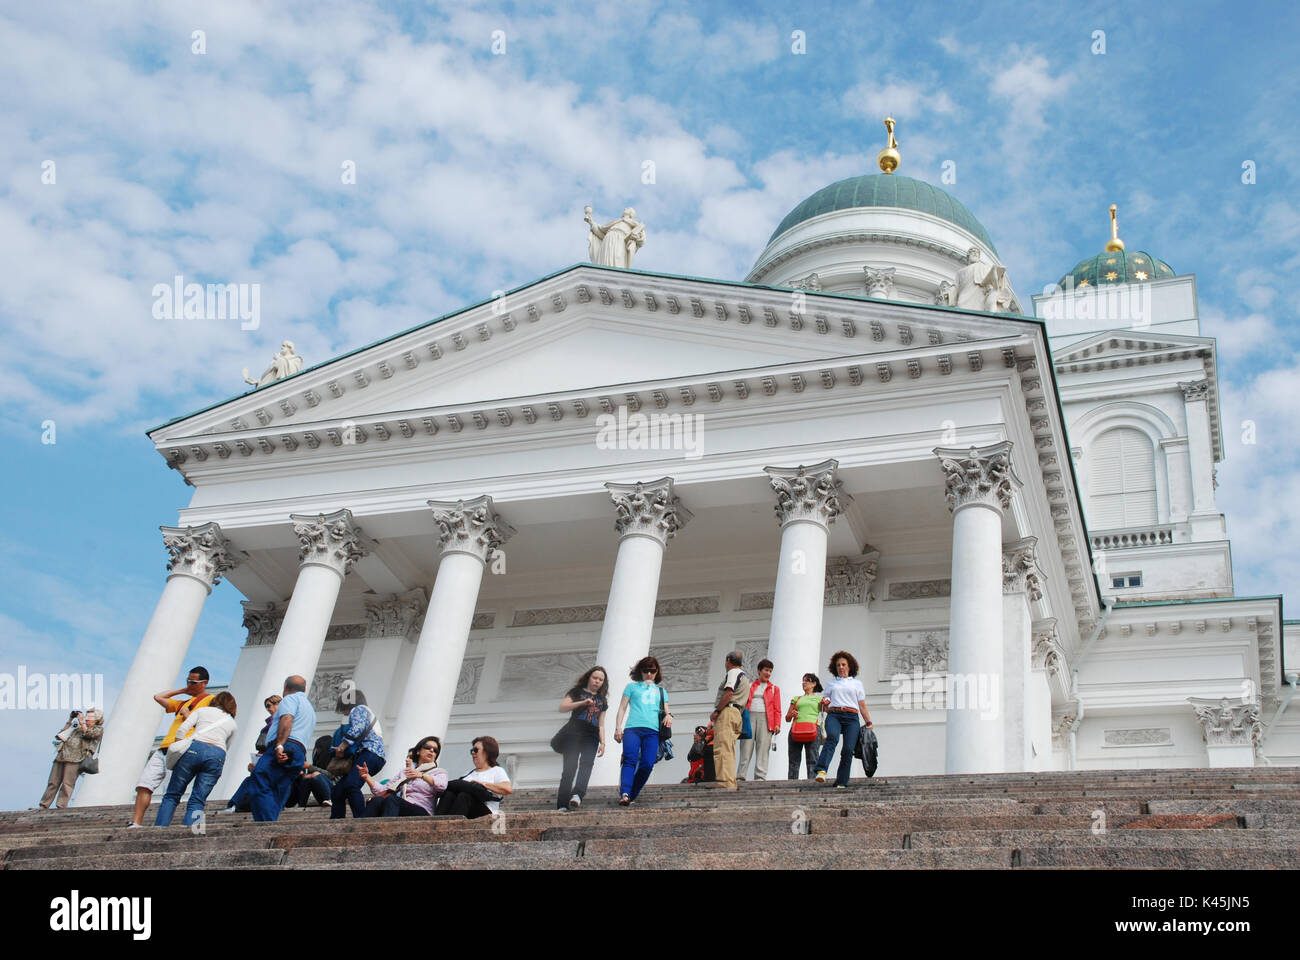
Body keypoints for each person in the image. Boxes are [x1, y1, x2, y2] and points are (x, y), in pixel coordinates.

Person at [129, 667, 214, 827]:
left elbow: (209, 725)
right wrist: (184, 690)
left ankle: (164, 825)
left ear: (205, 683)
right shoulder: (185, 702)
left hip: (182, 748)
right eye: (187, 681)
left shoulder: (211, 700)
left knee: (171, 790)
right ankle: (136, 823)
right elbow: (158, 697)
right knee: (144, 784)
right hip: (164, 747)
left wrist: (188, 716)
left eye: (193, 682)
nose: (189, 684)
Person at [155, 692, 238, 827]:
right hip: (217, 754)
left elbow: (182, 729)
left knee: (172, 795)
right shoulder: (232, 723)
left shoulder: (202, 711)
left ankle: (160, 828)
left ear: (215, 701)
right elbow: (227, 746)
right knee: (198, 799)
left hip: (194, 748)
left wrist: (179, 746)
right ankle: (192, 831)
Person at [247, 675, 316, 821]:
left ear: (286, 688)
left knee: (259, 777)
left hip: (286, 744)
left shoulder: (290, 699)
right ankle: (271, 820)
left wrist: (279, 745)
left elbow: (287, 719)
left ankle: (265, 823)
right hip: (298, 751)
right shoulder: (309, 708)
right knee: (279, 787)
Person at [613, 656, 673, 806]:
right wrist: (618, 727)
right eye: (646, 670)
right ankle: (625, 792)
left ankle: (632, 793)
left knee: (647, 763)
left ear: (657, 672)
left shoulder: (661, 691)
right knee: (629, 759)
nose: (649, 674)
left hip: (652, 731)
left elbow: (666, 711)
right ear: (640, 671)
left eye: (652, 671)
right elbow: (622, 708)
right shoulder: (631, 687)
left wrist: (669, 717)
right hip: (632, 728)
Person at [554, 666, 609, 811]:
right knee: (570, 768)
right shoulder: (576, 692)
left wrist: (603, 742)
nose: (597, 681)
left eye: (601, 680)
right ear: (589, 677)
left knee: (587, 763)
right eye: (595, 678)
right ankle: (562, 804)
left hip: (592, 735)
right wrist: (582, 703)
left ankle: (578, 794)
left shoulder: (602, 700)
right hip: (574, 731)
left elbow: (601, 724)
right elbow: (562, 707)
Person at [816, 652, 873, 788]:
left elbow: (862, 705)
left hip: (852, 717)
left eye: (843, 665)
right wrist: (824, 703)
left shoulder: (857, 684)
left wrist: (868, 721)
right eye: (838, 665)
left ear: (849, 666)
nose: (841, 667)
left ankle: (841, 781)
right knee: (832, 738)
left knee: (848, 749)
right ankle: (822, 770)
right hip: (834, 714)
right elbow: (823, 705)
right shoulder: (831, 683)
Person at [329, 689, 385, 819]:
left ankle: (362, 819)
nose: (344, 712)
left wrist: (342, 747)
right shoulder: (366, 711)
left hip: (370, 753)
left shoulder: (359, 709)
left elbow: (358, 728)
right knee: (338, 791)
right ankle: (336, 821)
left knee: (351, 784)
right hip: (372, 756)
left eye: (343, 708)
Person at [362, 736, 447, 817]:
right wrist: (367, 777)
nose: (431, 750)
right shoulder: (406, 772)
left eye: (435, 750)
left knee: (392, 800)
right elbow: (384, 790)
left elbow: (442, 785)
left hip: (422, 809)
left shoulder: (438, 772)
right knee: (377, 800)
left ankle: (386, 830)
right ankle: (361, 828)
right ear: (418, 751)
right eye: (427, 747)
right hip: (402, 804)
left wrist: (422, 776)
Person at [225, 694, 281, 813]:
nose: (268, 709)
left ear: (279, 704)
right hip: (265, 759)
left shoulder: (280, 722)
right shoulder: (269, 724)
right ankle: (235, 805)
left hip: (273, 760)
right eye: (266, 707)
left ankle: (233, 805)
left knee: (251, 781)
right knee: (251, 781)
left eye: (270, 705)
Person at [436, 736, 512, 820]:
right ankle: (437, 823)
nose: (473, 753)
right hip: (465, 809)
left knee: (464, 795)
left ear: (487, 751)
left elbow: (507, 788)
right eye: (471, 751)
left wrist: (484, 784)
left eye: (476, 750)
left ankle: (453, 825)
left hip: (486, 813)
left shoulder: (496, 770)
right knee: (449, 794)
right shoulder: (468, 774)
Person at [40, 709, 102, 809]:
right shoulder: (77, 727)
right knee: (53, 782)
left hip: (77, 758)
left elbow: (89, 734)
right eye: (87, 716)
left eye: (90, 717)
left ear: (97, 719)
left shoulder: (98, 729)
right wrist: (70, 720)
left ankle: (61, 805)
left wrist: (81, 722)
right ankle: (44, 805)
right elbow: (60, 735)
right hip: (62, 756)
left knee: (67, 784)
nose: (87, 719)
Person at [706, 651, 750, 791]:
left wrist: (717, 711)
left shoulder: (733, 673)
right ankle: (730, 781)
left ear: (728, 660)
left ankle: (724, 781)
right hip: (737, 713)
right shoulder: (745, 677)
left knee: (722, 748)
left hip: (728, 712)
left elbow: (729, 692)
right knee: (729, 749)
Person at [737, 658, 781, 782]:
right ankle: (741, 775)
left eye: (770, 671)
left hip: (766, 719)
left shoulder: (774, 689)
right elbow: (743, 702)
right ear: (759, 670)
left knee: (763, 748)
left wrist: (777, 724)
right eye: (766, 670)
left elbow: (777, 709)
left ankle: (760, 776)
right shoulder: (750, 686)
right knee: (746, 747)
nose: (768, 673)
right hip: (749, 717)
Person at [785, 673, 825, 780]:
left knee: (813, 758)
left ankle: (812, 783)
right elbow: (787, 718)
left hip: (812, 730)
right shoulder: (796, 698)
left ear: (814, 684)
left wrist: (826, 703)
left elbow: (827, 710)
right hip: (796, 730)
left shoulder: (819, 699)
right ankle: (792, 783)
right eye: (803, 681)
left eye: (807, 680)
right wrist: (792, 714)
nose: (804, 683)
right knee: (794, 760)